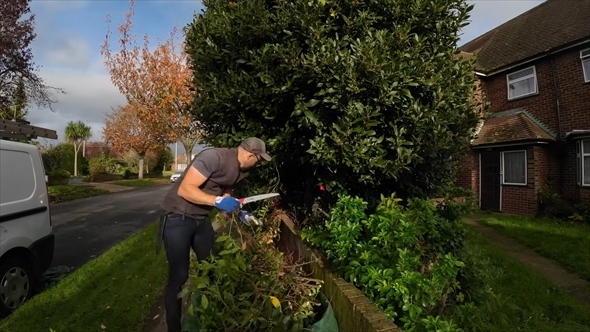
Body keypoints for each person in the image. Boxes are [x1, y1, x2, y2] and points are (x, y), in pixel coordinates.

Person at [159, 137, 271, 332]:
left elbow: (226, 187)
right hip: (177, 217)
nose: (258, 164)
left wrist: (236, 210)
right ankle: (174, 328)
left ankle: (210, 320)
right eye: (259, 160)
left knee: (212, 269)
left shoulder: (242, 171)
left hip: (201, 219)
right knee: (179, 275)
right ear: (250, 155)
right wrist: (217, 201)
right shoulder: (213, 157)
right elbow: (186, 189)